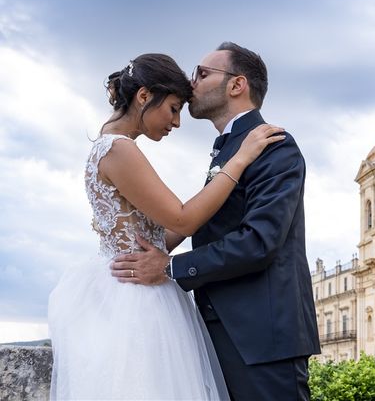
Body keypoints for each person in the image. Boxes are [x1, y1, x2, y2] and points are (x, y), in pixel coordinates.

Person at [48, 53, 283, 400]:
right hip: (135, 298)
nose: (176, 122)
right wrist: (241, 158)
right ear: (144, 96)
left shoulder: (111, 145)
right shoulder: (118, 149)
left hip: (133, 281)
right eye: (173, 108)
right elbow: (182, 218)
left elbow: (160, 234)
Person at [111, 42, 321, 400]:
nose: (192, 83)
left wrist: (170, 267)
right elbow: (198, 222)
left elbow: (260, 241)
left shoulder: (273, 144)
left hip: (263, 339)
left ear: (237, 85)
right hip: (221, 332)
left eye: (203, 73)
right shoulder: (232, 149)